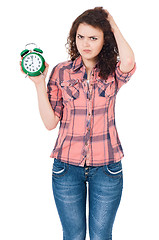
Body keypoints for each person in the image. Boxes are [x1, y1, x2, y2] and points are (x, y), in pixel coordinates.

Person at [20, 7, 136, 240]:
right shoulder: (61, 72)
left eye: (93, 37)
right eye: (80, 37)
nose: (86, 43)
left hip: (107, 168)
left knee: (101, 235)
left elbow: (129, 62)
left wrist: (110, 21)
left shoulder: (112, 71)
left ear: (105, 39)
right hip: (66, 168)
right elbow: (50, 122)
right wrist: (38, 84)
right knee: (73, 235)